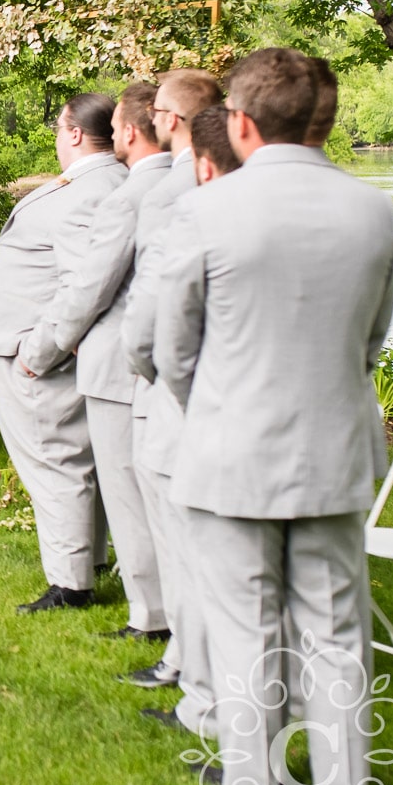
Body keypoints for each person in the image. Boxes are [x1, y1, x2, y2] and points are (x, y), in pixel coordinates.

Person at [156, 48, 393, 785]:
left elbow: (172, 348)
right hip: (334, 453)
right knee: (337, 640)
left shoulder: (208, 210)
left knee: (244, 636)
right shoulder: (374, 210)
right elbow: (370, 343)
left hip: (231, 454)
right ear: (322, 122)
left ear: (245, 123)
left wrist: (215, 414)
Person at [17, 82, 171, 641]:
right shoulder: (149, 186)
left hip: (116, 364)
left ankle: (152, 616)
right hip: (127, 362)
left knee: (129, 493)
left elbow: (91, 286)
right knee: (131, 489)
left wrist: (44, 347)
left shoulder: (125, 194)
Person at [0, 94, 126, 614]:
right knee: (63, 458)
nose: (58, 138)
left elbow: (86, 285)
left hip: (29, 349)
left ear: (75, 133)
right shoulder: (93, 183)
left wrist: (42, 347)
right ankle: (88, 559)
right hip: (17, 340)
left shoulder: (92, 190)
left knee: (54, 460)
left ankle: (71, 583)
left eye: (59, 128)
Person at [118, 68, 224, 722]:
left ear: (174, 119)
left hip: (173, 394)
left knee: (183, 545)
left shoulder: (175, 194)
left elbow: (150, 315)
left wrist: (163, 379)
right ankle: (191, 664)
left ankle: (191, 674)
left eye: (158, 109)